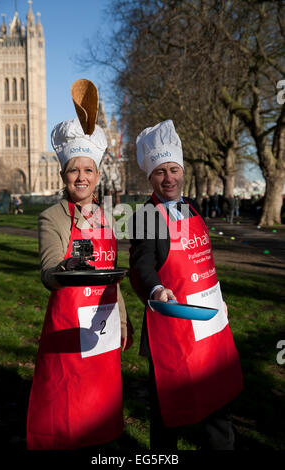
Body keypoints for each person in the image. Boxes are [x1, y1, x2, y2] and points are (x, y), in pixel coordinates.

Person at [128, 120, 243, 451]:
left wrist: (218, 298)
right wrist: (155, 290)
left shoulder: (193, 208)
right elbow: (141, 267)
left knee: (218, 406)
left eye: (174, 170)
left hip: (209, 323)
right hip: (172, 329)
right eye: (161, 172)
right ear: (150, 178)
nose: (169, 178)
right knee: (169, 413)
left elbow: (203, 261)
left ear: (183, 171)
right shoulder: (146, 216)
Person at [27, 116, 133, 450]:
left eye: (88, 170)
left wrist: (125, 323)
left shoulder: (106, 217)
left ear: (98, 176)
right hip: (68, 331)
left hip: (103, 332)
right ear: (63, 176)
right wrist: (66, 268)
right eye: (74, 170)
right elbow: (48, 271)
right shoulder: (53, 217)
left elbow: (112, 277)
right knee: (66, 414)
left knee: (100, 415)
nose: (81, 177)